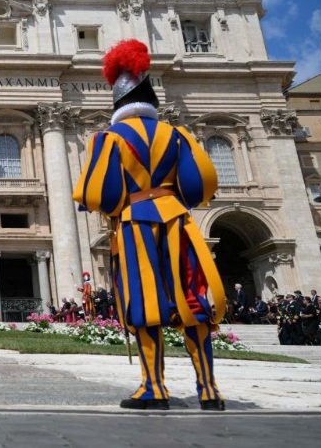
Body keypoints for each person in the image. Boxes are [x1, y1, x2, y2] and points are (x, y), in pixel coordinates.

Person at [73, 39, 227, 411]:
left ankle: (154, 387)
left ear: (118, 105)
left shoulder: (108, 139)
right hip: (178, 222)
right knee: (191, 299)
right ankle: (208, 389)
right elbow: (197, 186)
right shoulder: (178, 135)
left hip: (135, 224)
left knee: (145, 303)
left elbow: (100, 193)